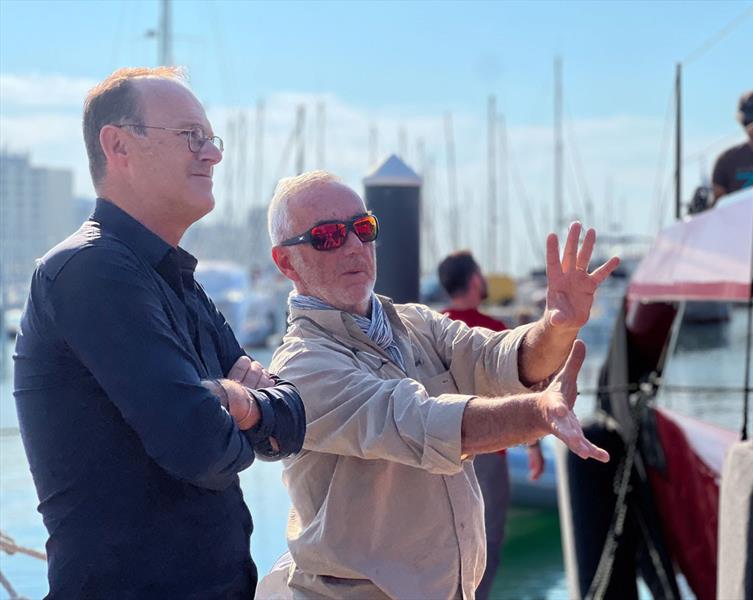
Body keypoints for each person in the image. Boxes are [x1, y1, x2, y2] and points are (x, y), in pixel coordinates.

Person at [13, 67, 306, 599]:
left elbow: (289, 425)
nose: (213, 154)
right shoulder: (90, 270)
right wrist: (247, 401)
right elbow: (197, 446)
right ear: (118, 145)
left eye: (211, 140)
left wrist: (229, 402)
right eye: (191, 136)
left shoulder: (175, 280)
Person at [258, 170, 618, 600]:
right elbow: (419, 422)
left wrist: (558, 325)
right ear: (286, 262)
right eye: (329, 236)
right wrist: (538, 413)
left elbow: (497, 359)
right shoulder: (301, 367)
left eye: (363, 228)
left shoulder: (414, 323)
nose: (354, 245)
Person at [437, 249, 545, 600]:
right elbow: (524, 391)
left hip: (439, 453)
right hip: (487, 456)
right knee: (487, 541)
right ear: (473, 280)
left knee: (443, 545)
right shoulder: (495, 331)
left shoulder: (432, 330)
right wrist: (534, 447)